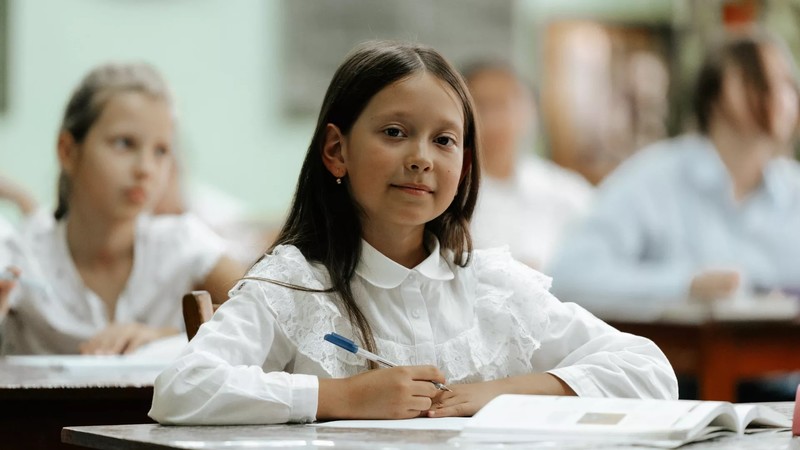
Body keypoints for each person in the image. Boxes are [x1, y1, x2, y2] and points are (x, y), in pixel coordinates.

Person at [149, 41, 676, 425]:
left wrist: (504, 392)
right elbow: (181, 388)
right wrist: (344, 397)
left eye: (444, 140)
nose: (421, 158)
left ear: (465, 167)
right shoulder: (293, 283)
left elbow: (651, 372)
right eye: (395, 133)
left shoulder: (495, 288)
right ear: (337, 150)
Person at [547, 30, 800, 320]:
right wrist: (685, 284)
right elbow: (568, 275)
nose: (782, 96)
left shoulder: (794, 190)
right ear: (716, 92)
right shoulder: (654, 179)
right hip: (680, 360)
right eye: (761, 79)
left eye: (788, 83)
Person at [0, 62, 243, 355]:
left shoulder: (183, 245)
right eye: (125, 143)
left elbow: (266, 322)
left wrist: (165, 337)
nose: (146, 169)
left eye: (161, 151)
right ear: (67, 150)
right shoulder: (19, 257)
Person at [464, 61, 593, 269]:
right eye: (482, 105)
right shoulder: (450, 192)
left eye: (506, 104)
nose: (495, 119)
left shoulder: (565, 189)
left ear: (530, 112)